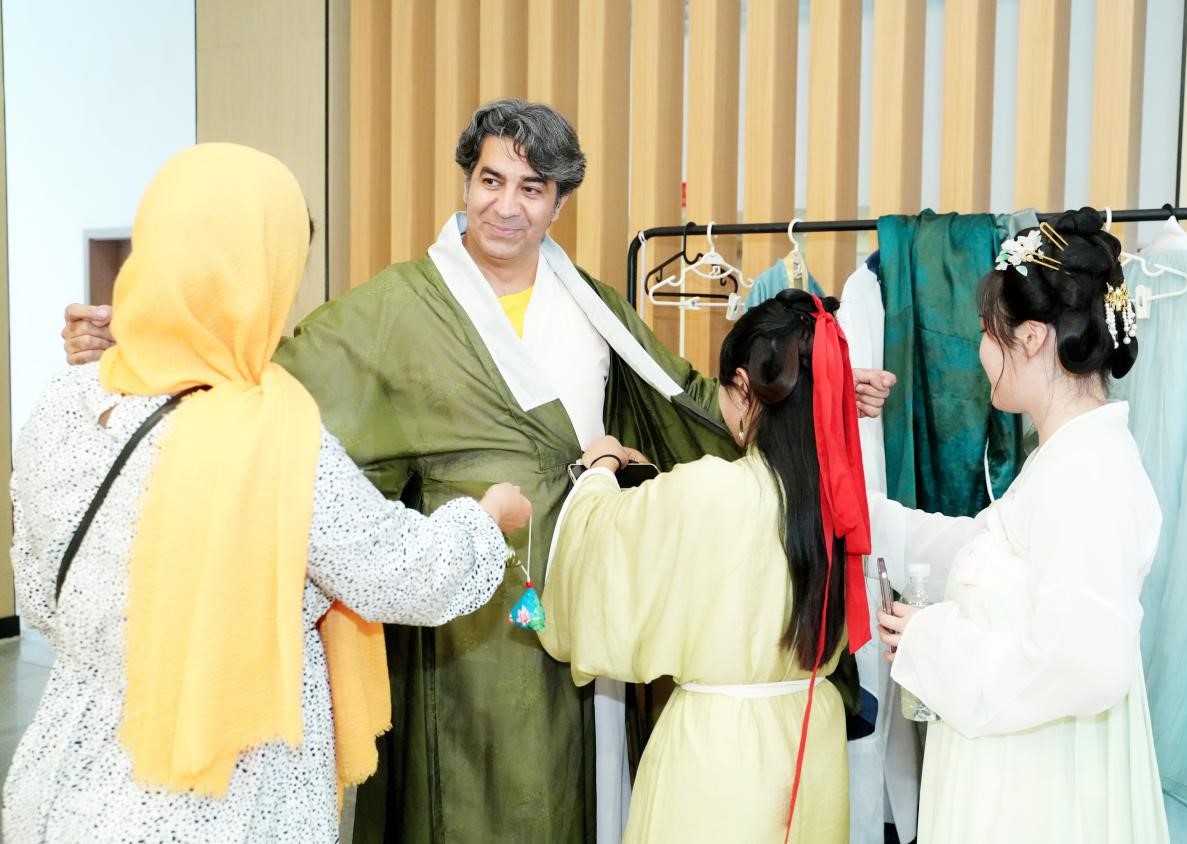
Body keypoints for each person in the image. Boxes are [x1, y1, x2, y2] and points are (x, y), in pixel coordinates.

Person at [59, 100, 893, 843]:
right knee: (471, 790)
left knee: (581, 782)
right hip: (463, 599)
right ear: (466, 182)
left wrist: (815, 395)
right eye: (491, 180)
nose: (506, 205)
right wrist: (144, 340)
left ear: (559, 204)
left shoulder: (590, 302)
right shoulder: (398, 307)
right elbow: (272, 372)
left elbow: (690, 400)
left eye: (532, 188)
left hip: (588, 576)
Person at [3, 143, 531, 843]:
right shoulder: (269, 436)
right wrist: (487, 520)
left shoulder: (63, 402)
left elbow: (43, 601)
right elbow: (400, 573)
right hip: (213, 799)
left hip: (59, 776)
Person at [540, 288, 880, 842]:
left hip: (719, 757)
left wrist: (600, 467)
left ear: (743, 388)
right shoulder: (838, 500)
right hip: (812, 741)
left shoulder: (708, 490)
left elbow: (599, 548)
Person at [874, 208, 1170, 842]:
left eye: (987, 332)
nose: (981, 352)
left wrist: (933, 641)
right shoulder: (1064, 458)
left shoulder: (1085, 473)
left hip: (1039, 793)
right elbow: (983, 553)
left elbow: (1088, 664)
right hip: (1027, 774)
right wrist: (867, 517)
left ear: (1032, 338)